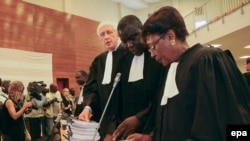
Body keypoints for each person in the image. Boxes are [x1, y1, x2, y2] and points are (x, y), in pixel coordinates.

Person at [126, 6, 250, 141]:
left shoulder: (206, 59)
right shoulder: (171, 69)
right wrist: (151, 138)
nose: (152, 54)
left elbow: (219, 124)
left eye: (153, 47)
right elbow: (177, 124)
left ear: (170, 36)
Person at [110, 15, 163, 141]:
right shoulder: (123, 60)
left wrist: (140, 118)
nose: (130, 45)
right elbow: (117, 98)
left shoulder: (158, 57)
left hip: (151, 130)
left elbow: (160, 96)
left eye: (133, 38)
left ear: (143, 30)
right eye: (125, 41)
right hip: (127, 133)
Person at [78, 21, 128, 140]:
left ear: (118, 34)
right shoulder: (99, 60)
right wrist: (88, 107)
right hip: (105, 118)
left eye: (109, 32)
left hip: (124, 117)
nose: (106, 37)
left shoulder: (128, 54)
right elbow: (91, 88)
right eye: (102, 35)